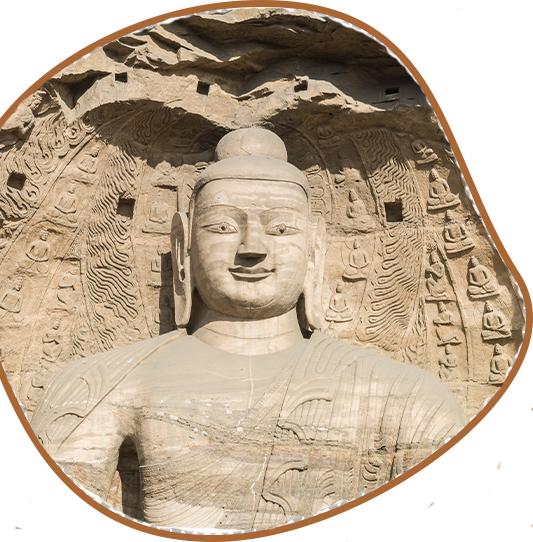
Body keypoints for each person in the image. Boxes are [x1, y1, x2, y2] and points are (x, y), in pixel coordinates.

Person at [31, 128, 466, 532]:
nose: (252, 248)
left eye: (281, 229)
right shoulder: (106, 383)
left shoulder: (405, 396)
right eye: (223, 227)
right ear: (183, 245)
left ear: (314, 248)